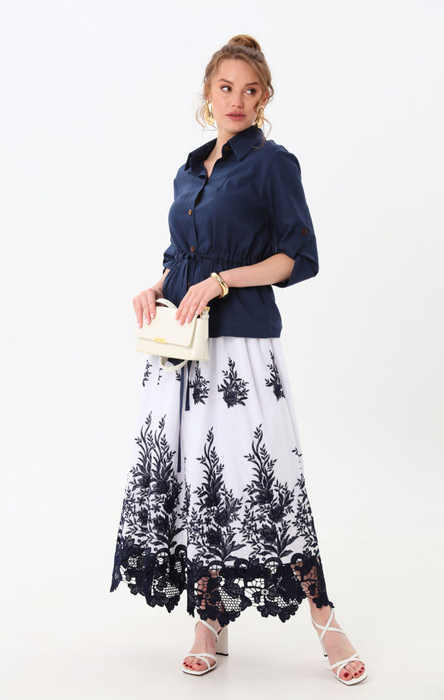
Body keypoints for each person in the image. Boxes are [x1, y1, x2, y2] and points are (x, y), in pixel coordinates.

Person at [110, 35, 367, 686]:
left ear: (265, 98)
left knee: (266, 478)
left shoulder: (273, 164)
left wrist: (223, 280)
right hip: (181, 344)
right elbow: (181, 254)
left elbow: (296, 258)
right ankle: (209, 620)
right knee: (199, 479)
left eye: (250, 90)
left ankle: (326, 621)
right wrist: (156, 285)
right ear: (208, 92)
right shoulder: (190, 169)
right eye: (226, 87)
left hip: (242, 344)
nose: (236, 100)